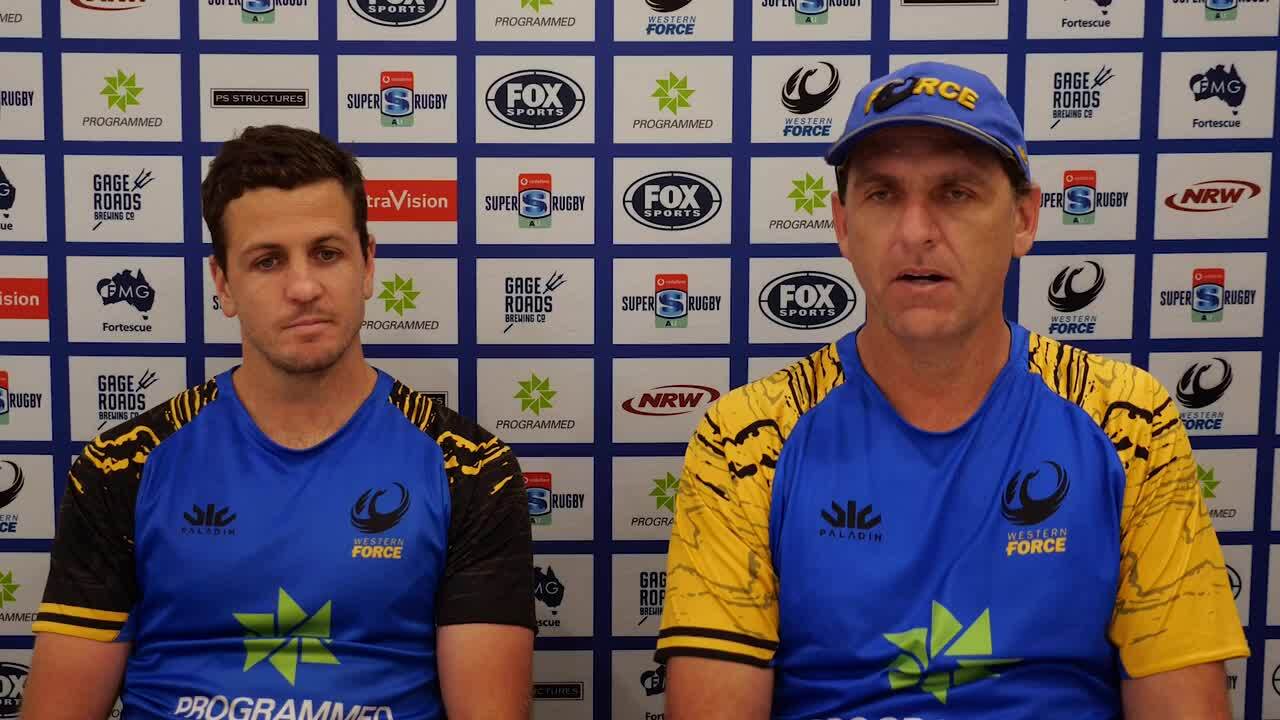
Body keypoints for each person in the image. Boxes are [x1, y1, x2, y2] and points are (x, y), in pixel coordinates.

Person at [656, 62, 1248, 720]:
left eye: (956, 193)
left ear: (1024, 219)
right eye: (882, 195)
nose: (915, 232)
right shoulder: (745, 438)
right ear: (843, 225)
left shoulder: (1129, 420)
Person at [22, 125, 535, 720]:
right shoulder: (122, 464)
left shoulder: (470, 467)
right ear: (223, 283)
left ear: (368, 265)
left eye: (327, 253)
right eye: (267, 261)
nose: (304, 287)